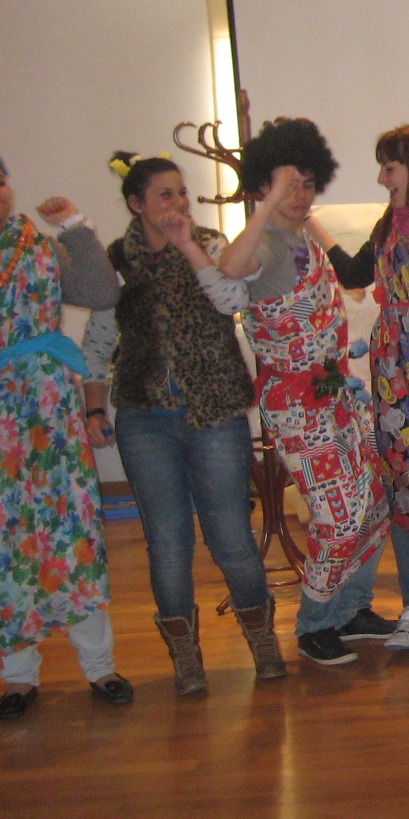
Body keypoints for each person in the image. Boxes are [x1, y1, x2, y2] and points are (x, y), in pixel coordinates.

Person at [82, 154, 284, 695]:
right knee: (167, 543)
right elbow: (98, 343)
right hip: (144, 418)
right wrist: (95, 407)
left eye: (181, 193)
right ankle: (186, 658)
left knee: (231, 536)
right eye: (165, 194)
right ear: (136, 203)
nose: (177, 203)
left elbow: (232, 300)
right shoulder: (117, 262)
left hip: (215, 412)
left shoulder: (212, 245)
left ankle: (263, 642)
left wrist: (189, 246)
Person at [209, 118, 394, 667]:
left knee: (375, 501)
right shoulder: (264, 243)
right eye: (289, 185)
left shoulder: (304, 237)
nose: (301, 195)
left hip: (336, 394)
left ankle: (352, 608)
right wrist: (266, 203)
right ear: (263, 187)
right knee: (339, 517)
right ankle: (314, 622)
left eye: (308, 184)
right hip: (297, 405)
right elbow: (230, 268)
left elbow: (350, 276)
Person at [310, 125, 409, 653]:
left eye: (389, 167)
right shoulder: (386, 226)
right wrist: (311, 225)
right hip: (392, 372)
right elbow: (355, 274)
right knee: (402, 488)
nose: (381, 178)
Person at [0, 149, 132, 721]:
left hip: (48, 405)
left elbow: (103, 293)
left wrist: (75, 227)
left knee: (70, 526)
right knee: (4, 539)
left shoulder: (39, 246)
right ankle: (19, 675)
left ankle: (99, 666)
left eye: (0, 180)